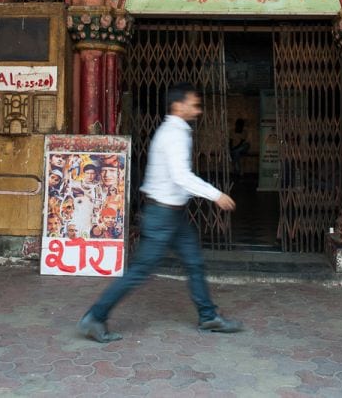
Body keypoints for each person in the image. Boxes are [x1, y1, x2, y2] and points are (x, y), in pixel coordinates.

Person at [77, 82, 241, 343]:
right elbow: (181, 176)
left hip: (173, 215)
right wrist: (216, 195)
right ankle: (95, 317)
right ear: (178, 105)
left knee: (194, 262)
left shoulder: (176, 131)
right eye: (193, 104)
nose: (197, 110)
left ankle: (208, 316)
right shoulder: (173, 134)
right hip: (162, 216)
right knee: (140, 270)